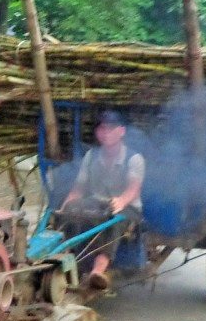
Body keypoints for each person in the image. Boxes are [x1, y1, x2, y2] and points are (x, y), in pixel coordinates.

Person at [59, 109, 145, 290]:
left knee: (114, 219)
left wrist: (121, 200)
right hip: (97, 203)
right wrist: (66, 205)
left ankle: (98, 271)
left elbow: (133, 189)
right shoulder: (91, 157)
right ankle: (64, 260)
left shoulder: (134, 159)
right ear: (98, 133)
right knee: (70, 211)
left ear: (121, 131)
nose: (107, 133)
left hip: (127, 207)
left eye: (111, 129)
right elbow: (79, 188)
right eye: (103, 129)